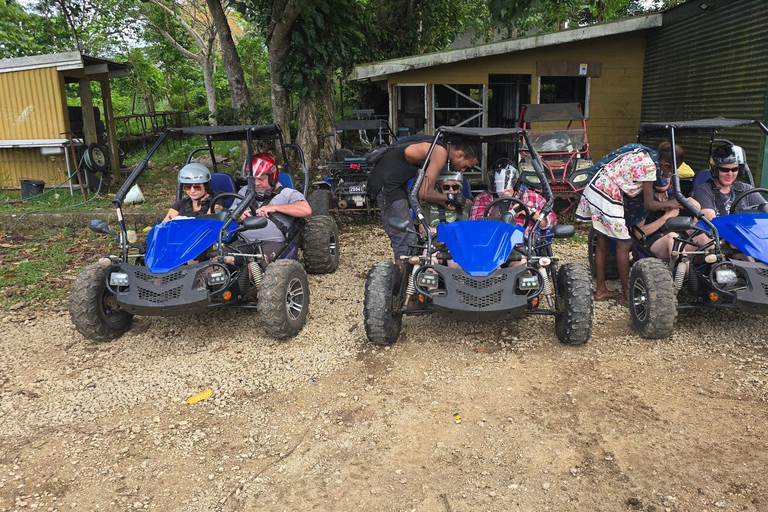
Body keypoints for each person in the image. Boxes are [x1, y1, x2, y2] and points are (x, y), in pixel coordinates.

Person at [576, 142, 682, 305]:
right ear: (666, 165)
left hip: (596, 188)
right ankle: (627, 296)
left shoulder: (645, 155)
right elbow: (649, 205)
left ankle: (601, 290)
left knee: (603, 240)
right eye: (670, 171)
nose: (667, 175)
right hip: (607, 194)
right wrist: (671, 204)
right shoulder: (649, 167)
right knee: (624, 244)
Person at [367, 135, 481, 265]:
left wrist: (446, 201)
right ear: (460, 155)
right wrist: (452, 198)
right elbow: (424, 193)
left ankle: (405, 270)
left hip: (393, 180)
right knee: (405, 237)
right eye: (466, 166)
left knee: (409, 237)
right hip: (388, 183)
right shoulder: (440, 152)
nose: (463, 170)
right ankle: (401, 274)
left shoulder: (437, 144)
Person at [232, 153, 312, 261]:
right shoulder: (244, 191)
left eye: (261, 179)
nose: (256, 183)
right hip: (243, 242)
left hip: (272, 243)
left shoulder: (287, 193)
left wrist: (275, 208)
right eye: (252, 179)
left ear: (272, 177)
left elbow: (306, 210)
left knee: (259, 264)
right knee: (218, 261)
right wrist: (237, 214)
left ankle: (252, 269)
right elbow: (229, 213)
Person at [469, 162, 556, 236]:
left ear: (515, 183)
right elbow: (475, 226)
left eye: (506, 185)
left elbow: (550, 222)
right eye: (498, 185)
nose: (502, 190)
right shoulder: (482, 199)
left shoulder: (532, 197)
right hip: (494, 246)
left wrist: (529, 211)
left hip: (524, 246)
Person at [692, 144, 766, 220]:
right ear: (715, 170)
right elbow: (711, 220)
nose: (730, 174)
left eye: (734, 169)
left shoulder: (747, 189)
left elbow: (765, 208)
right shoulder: (703, 191)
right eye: (724, 170)